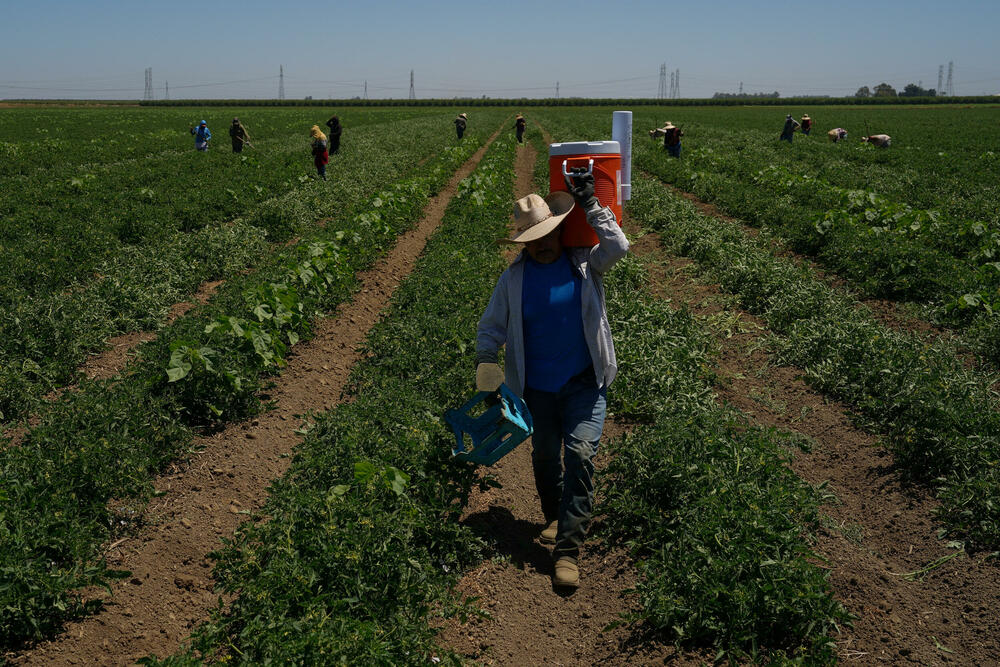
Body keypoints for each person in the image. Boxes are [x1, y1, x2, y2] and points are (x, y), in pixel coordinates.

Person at [475, 169, 629, 590]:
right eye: (533, 239)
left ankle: (567, 553)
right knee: (545, 458)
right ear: (523, 243)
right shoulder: (513, 280)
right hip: (536, 391)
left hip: (583, 383)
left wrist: (592, 205)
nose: (543, 245)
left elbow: (618, 245)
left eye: (548, 235)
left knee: (579, 454)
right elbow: (490, 330)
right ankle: (556, 517)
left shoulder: (585, 265)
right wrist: (488, 372)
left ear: (560, 232)